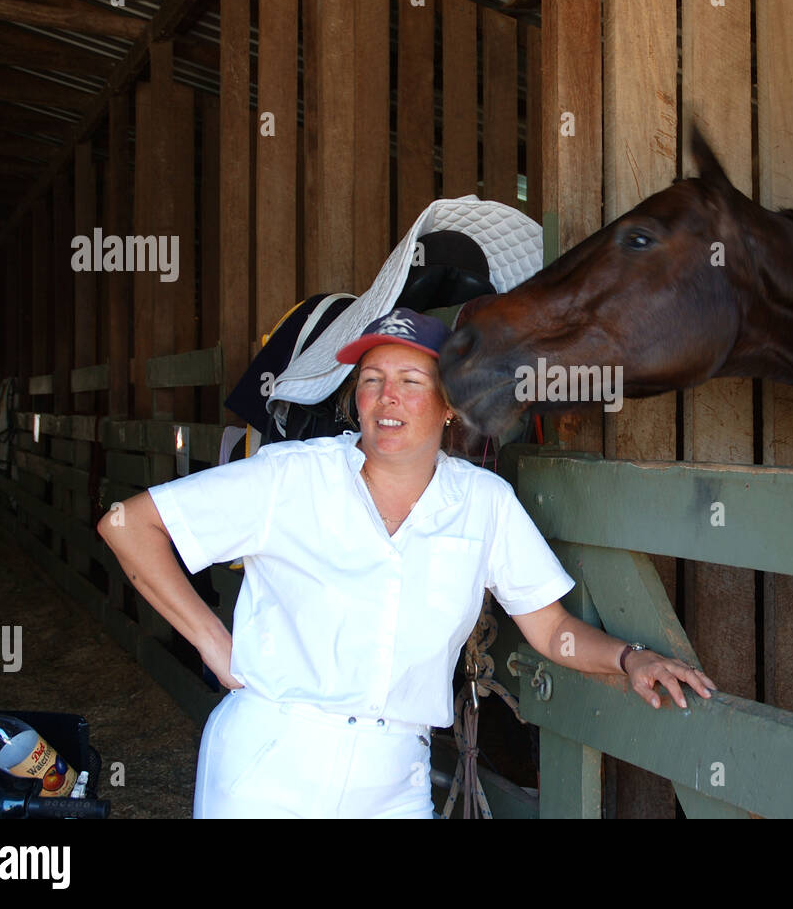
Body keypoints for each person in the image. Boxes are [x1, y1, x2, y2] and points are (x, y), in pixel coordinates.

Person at [97, 308, 716, 818]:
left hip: (394, 776)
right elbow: (127, 525)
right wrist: (211, 641)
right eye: (371, 379)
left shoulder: (482, 503)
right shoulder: (292, 477)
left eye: (410, 382)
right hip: (271, 761)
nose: (386, 397)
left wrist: (631, 659)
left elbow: (551, 630)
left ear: (451, 405)